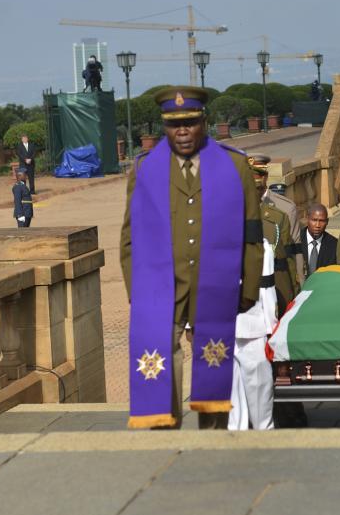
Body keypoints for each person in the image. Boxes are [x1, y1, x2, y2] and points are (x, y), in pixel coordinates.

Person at [119, 86, 264, 430]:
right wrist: (135, 289)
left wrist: (249, 286)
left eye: (189, 123)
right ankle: (164, 431)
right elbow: (129, 235)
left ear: (204, 122)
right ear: (164, 126)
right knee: (162, 358)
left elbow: (252, 232)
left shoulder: (234, 166)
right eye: (173, 125)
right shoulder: (143, 170)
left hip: (214, 284)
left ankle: (211, 436)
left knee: (214, 360)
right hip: (159, 285)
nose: (182, 131)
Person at [229, 162, 289, 431]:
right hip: (222, 328)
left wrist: (271, 324)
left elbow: (266, 288)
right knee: (231, 397)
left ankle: (264, 432)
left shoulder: (261, 246)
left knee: (259, 390)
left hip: (253, 326)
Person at [250, 160, 299, 311]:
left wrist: (294, 291)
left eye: (257, 188)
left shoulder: (278, 217)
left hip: (275, 289)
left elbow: (288, 259)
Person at [301, 203, 337, 277]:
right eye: (314, 220)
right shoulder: (296, 240)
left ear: (327, 222)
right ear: (307, 219)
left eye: (322, 221)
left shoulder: (334, 245)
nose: (317, 225)